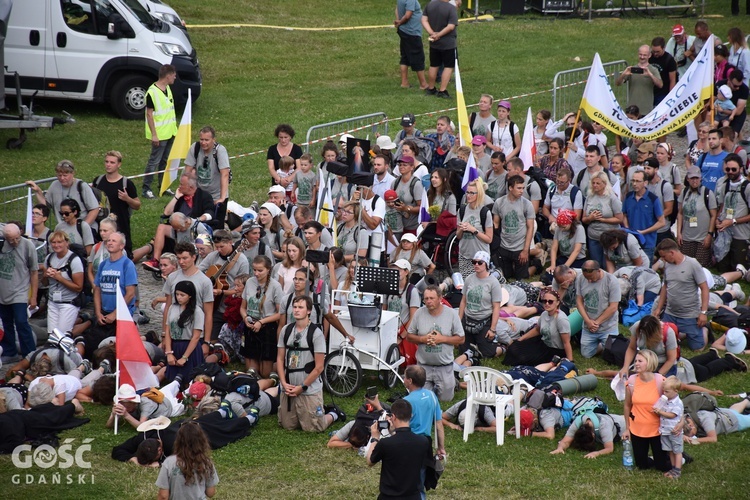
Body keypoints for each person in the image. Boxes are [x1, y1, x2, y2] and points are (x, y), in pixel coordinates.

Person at [277, 295, 344, 431]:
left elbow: (319, 367)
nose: (296, 310)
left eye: (300, 307)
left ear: (309, 311)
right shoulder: (286, 330)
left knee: (314, 427)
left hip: (308, 389)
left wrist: (302, 387)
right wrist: (283, 383)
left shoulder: (316, 333)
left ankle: (333, 414)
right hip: (289, 388)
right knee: (288, 426)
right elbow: (279, 358)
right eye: (294, 307)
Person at [406, 285, 464, 401]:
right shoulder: (419, 313)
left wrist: (441, 339)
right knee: (424, 398)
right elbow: (409, 336)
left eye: (432, 298)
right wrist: (423, 339)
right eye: (426, 299)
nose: (428, 301)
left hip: (444, 365)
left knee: (445, 399)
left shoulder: (452, 314)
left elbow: (461, 339)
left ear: (440, 298)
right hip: (423, 366)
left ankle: (454, 382)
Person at [367, 398, 431, 500]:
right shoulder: (423, 441)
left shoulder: (386, 444)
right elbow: (405, 449)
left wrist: (375, 438)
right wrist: (393, 433)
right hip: (413, 496)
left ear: (393, 417)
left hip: (389, 496)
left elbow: (370, 461)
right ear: (411, 416)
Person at [622, 349, 672, 473]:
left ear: (649, 363)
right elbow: (627, 405)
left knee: (662, 466)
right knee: (641, 465)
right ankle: (650, 457)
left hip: (657, 429)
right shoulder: (632, 382)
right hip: (637, 428)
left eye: (640, 361)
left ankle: (680, 457)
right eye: (636, 361)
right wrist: (627, 428)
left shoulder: (660, 381)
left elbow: (671, 404)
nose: (636, 363)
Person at [655, 239, 709, 350]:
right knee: (662, 343)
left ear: (672, 253)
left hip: (689, 314)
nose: (663, 259)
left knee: (698, 348)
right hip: (670, 313)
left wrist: (703, 313)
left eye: (664, 256)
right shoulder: (668, 266)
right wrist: (658, 308)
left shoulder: (692, 264)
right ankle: (680, 332)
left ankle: (704, 330)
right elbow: (665, 287)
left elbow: (704, 288)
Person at [403, 364, 445, 497]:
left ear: (410, 381)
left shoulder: (406, 402)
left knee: (406, 482)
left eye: (405, 377)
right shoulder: (432, 396)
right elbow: (439, 424)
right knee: (420, 482)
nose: (403, 379)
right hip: (425, 444)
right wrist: (441, 447)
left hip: (409, 444)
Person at [0, 223, 39, 364]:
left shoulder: (28, 246)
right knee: (6, 322)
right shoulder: (2, 243)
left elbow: (34, 272)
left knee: (21, 322)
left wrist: (33, 296)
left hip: (20, 291)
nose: (15, 242)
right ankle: (10, 351)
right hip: (3, 292)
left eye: (17, 238)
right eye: (11, 239)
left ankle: (30, 353)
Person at [504, 288, 573, 366]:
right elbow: (537, 330)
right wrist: (521, 339)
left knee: (523, 358)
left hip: (554, 350)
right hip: (542, 343)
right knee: (514, 348)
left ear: (557, 303)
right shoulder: (544, 314)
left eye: (550, 301)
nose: (547, 304)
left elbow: (566, 342)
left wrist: (570, 361)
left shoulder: (561, 319)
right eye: (544, 301)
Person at [91, 150, 141, 256]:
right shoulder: (98, 181)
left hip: (121, 226)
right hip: (102, 226)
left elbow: (137, 205)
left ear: (119, 164)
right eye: (107, 161)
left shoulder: (126, 183)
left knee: (126, 256)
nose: (108, 165)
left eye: (112, 162)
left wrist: (127, 199)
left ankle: (148, 248)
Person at [26, 159, 100, 228]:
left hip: (83, 227)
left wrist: (83, 228)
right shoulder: (54, 185)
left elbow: (94, 209)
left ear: (73, 173)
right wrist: (38, 191)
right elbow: (45, 206)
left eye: (65, 175)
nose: (62, 178)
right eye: (59, 175)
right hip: (63, 229)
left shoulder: (82, 186)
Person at [458, 251, 505, 359]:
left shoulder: (493, 282)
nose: (476, 265)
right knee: (463, 352)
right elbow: (463, 301)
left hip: (484, 320)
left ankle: (501, 348)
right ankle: (475, 345)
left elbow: (496, 307)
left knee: (487, 354)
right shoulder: (469, 278)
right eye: (474, 262)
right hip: (468, 319)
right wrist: (458, 320)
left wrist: (492, 329)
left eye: (480, 263)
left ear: (487, 264)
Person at [241, 255, 282, 377]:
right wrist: (244, 318)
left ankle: (277, 371)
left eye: (260, 270)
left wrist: (262, 322)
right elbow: (243, 307)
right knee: (251, 370)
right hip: (250, 325)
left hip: (267, 327)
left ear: (268, 269)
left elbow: (280, 313)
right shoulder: (249, 282)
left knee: (265, 372)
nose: (256, 273)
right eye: (254, 270)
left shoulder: (275, 286)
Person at [156, 421, 219, 499]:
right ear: (201, 441)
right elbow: (210, 493)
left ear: (178, 441)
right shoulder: (206, 462)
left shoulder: (169, 462)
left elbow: (163, 496)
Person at [143, 64, 178, 199]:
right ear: (168, 76)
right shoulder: (152, 92)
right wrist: (154, 135)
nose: (175, 77)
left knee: (165, 161)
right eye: (174, 75)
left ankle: (163, 186)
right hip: (160, 135)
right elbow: (149, 114)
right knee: (154, 161)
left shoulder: (167, 88)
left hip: (170, 132)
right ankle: (146, 188)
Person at [183, 125, 230, 223]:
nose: (203, 143)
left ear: (213, 139)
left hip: (216, 195)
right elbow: (187, 172)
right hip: (200, 194)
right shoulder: (195, 148)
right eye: (201, 139)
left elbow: (225, 174)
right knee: (197, 223)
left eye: (207, 140)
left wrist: (222, 198)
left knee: (216, 225)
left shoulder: (220, 151)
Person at [492, 175, 535, 280]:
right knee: (505, 276)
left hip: (519, 247)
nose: (521, 191)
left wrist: (525, 250)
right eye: (519, 188)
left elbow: (530, 227)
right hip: (504, 246)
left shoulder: (527, 204)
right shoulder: (499, 202)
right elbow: (495, 224)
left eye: (523, 188)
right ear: (510, 188)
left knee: (521, 278)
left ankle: (536, 265)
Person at [575, 260, 621, 358]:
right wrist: (588, 321)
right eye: (586, 278)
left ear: (598, 271)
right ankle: (600, 346)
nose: (589, 281)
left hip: (608, 327)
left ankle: (607, 343)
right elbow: (579, 301)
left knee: (611, 356)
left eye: (591, 277)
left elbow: (613, 307)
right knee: (586, 354)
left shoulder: (611, 280)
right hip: (588, 326)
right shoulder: (580, 278)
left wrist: (596, 323)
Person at [42, 231, 84, 335]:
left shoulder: (74, 260)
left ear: (66, 242)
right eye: (53, 242)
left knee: (62, 336)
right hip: (52, 302)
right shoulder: (49, 258)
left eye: (59, 242)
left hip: (68, 303)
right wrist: (45, 275)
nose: (56, 245)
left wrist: (60, 278)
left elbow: (78, 287)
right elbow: (44, 283)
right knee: (52, 335)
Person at [163, 280, 205, 383]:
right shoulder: (172, 307)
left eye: (182, 295)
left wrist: (184, 357)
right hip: (175, 345)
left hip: (189, 347)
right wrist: (169, 353)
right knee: (173, 380)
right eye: (177, 294)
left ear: (190, 296)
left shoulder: (197, 311)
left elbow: (196, 337)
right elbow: (168, 330)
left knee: (189, 380)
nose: (179, 297)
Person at [714, 154, 750, 272]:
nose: (730, 172)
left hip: (741, 235)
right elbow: (722, 205)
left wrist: (733, 221)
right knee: (722, 267)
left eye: (734, 169)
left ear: (740, 168)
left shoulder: (747, 187)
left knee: (738, 268)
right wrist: (718, 219)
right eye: (728, 169)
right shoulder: (725, 184)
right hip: (725, 232)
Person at [676, 166, 717, 268]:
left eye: (697, 178)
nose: (694, 181)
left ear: (700, 178)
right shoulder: (684, 192)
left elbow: (713, 215)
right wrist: (679, 233)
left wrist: (709, 235)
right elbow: (680, 213)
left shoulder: (708, 193)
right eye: (692, 178)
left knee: (700, 266)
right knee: (685, 265)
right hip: (687, 236)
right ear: (688, 179)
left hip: (702, 238)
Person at [582, 170, 623, 268]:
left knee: (608, 265)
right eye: (593, 183)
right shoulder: (589, 197)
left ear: (604, 184)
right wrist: (590, 218)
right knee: (596, 264)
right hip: (593, 236)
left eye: (598, 183)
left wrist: (603, 219)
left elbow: (619, 219)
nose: (595, 185)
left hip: (609, 237)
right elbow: (584, 219)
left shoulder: (612, 198)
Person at [622, 170, 665, 262]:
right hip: (631, 241)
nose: (634, 184)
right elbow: (624, 215)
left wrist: (644, 232)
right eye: (633, 181)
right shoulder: (628, 196)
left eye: (637, 181)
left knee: (645, 270)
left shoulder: (653, 199)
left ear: (645, 182)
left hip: (647, 243)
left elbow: (661, 222)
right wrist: (627, 228)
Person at [456, 179, 493, 277]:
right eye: (467, 192)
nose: (468, 195)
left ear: (479, 194)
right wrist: (461, 229)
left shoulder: (485, 212)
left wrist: (474, 230)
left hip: (480, 257)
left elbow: (489, 239)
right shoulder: (462, 210)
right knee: (466, 283)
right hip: (464, 254)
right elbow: (458, 236)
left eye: (472, 193)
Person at [422, 0, 457, 99]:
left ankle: (431, 88)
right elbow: (450, 26)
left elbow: (424, 20)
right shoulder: (451, 8)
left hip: (434, 43)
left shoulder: (430, 4)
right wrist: (439, 35)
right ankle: (442, 90)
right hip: (448, 43)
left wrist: (432, 33)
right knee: (448, 66)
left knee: (434, 65)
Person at [615, 45, 663, 115]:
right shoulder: (631, 69)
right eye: (640, 54)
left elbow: (660, 85)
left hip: (646, 110)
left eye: (644, 55)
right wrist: (624, 74)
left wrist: (650, 75)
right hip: (631, 110)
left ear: (649, 55)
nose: (642, 57)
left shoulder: (653, 70)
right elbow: (617, 83)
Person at [654, 375, 684, 479]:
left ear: (675, 391)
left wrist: (660, 412)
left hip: (674, 431)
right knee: (670, 450)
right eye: (663, 391)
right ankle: (672, 468)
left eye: (667, 392)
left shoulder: (678, 403)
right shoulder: (665, 400)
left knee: (677, 451)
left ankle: (677, 470)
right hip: (665, 430)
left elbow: (673, 415)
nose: (664, 394)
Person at [716, 70, 748, 135]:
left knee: (733, 135)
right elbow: (712, 99)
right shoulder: (720, 84)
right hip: (719, 113)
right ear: (729, 80)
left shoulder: (744, 89)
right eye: (735, 86)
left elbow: (738, 111)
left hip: (735, 114)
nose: (738, 88)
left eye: (740, 85)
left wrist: (723, 111)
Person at [649, 37, 677, 107]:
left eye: (658, 51)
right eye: (653, 51)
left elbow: (672, 80)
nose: (655, 54)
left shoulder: (669, 60)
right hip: (650, 92)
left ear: (664, 48)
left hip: (663, 93)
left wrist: (670, 97)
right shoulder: (649, 57)